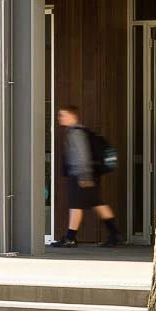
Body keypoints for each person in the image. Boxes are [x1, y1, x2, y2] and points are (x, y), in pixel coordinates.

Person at [54, 106, 122, 247]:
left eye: (63, 115)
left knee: (76, 205)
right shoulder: (78, 131)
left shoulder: (76, 133)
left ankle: (70, 238)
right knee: (97, 203)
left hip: (81, 175)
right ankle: (115, 234)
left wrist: (84, 176)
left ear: (72, 116)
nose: (60, 118)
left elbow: (82, 155)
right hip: (88, 174)